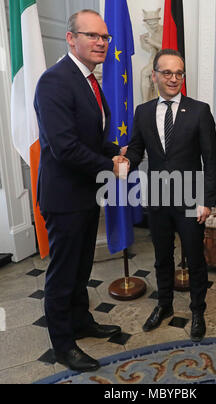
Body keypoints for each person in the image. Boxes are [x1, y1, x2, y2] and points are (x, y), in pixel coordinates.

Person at [34, 9, 128, 372]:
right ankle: (63, 344)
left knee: (81, 266)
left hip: (87, 194)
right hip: (64, 198)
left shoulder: (89, 80)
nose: (102, 43)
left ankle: (81, 321)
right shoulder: (55, 81)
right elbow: (64, 147)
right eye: (93, 36)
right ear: (71, 38)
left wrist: (114, 151)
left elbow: (94, 137)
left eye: (105, 37)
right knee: (63, 273)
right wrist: (112, 166)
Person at [125, 49, 216, 342]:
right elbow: (137, 150)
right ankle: (164, 305)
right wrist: (123, 161)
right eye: (167, 72)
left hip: (191, 200)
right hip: (158, 200)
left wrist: (207, 200)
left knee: (194, 259)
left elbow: (210, 159)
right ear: (154, 76)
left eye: (179, 73)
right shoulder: (142, 112)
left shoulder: (200, 110)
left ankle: (197, 311)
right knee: (161, 257)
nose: (174, 78)